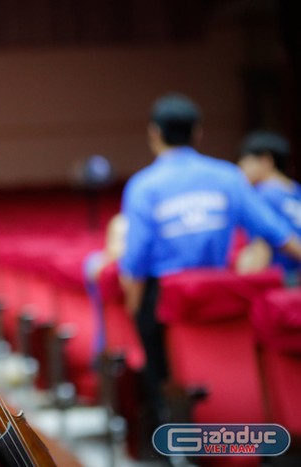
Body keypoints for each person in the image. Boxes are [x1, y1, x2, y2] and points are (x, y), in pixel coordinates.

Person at [118, 93, 301, 422]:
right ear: (197, 133)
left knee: (161, 378)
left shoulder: (143, 187)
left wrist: (134, 309)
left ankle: (171, 434)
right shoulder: (229, 177)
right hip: (222, 298)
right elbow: (280, 235)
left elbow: (135, 263)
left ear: (154, 133)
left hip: (163, 299)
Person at [237, 130, 301, 284]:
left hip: (279, 282)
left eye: (245, 161)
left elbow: (260, 249)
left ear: (266, 161)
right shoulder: (296, 190)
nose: (241, 168)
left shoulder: (261, 195)